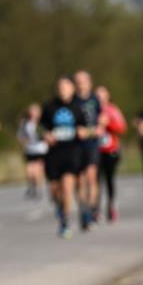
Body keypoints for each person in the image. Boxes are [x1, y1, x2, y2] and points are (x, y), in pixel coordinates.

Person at [42, 77, 86, 239]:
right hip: (54, 154)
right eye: (60, 87)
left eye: (66, 87)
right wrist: (46, 135)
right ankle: (60, 208)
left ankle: (65, 222)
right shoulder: (49, 107)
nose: (62, 90)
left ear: (72, 89)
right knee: (54, 190)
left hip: (72, 151)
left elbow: (89, 128)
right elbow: (41, 128)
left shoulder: (79, 107)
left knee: (67, 188)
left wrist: (84, 132)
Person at [72, 71, 101, 230]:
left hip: (91, 144)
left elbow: (102, 119)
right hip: (75, 145)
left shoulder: (94, 100)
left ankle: (91, 208)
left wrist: (96, 129)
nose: (80, 84)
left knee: (91, 176)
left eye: (83, 81)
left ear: (89, 82)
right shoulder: (72, 100)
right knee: (79, 180)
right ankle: (83, 209)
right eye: (78, 81)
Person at [95, 86, 127, 223]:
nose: (100, 99)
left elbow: (122, 128)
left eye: (103, 96)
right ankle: (95, 208)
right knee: (95, 180)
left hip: (110, 150)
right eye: (98, 96)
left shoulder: (113, 110)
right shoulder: (91, 111)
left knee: (109, 179)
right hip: (95, 151)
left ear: (108, 96)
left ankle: (111, 205)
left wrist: (109, 123)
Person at [17, 103, 48, 199]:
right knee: (29, 171)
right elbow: (20, 136)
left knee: (38, 170)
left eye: (35, 111)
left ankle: (38, 188)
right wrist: (23, 141)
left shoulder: (43, 122)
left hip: (41, 149)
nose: (33, 113)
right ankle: (32, 186)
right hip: (30, 149)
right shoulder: (25, 123)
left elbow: (47, 133)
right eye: (31, 111)